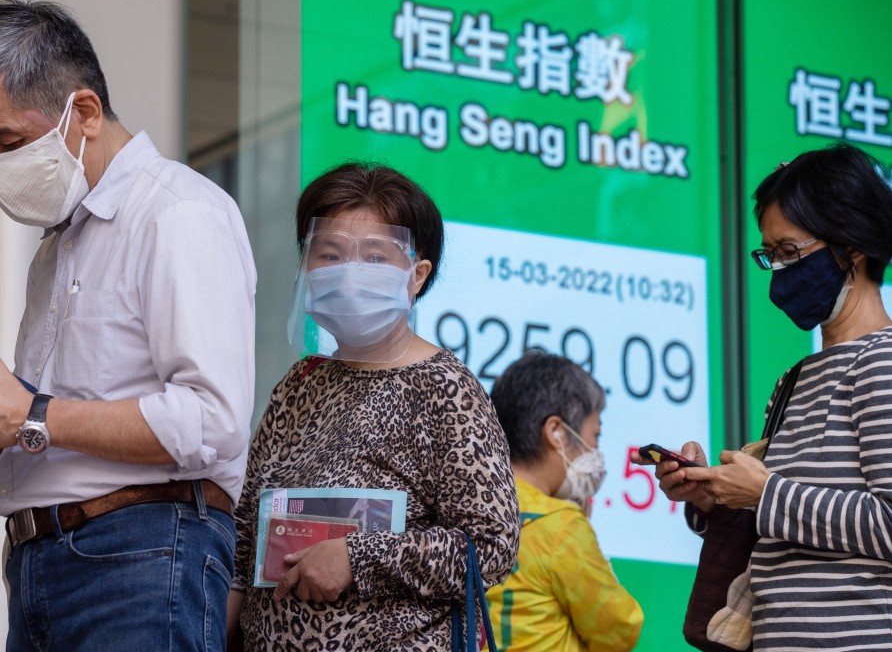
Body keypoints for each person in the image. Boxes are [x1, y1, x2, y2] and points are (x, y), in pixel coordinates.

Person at [0, 0, 256, 651]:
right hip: (43, 562)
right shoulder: (60, 245)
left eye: (9, 142)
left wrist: (29, 415)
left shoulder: (178, 213)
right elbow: (67, 422)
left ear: (86, 112)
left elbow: (210, 420)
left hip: (143, 558)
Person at [226, 162, 519, 650]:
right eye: (331, 254)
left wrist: (356, 559)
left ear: (416, 276)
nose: (349, 275)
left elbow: (490, 546)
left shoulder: (446, 390)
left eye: (375, 258)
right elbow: (243, 540)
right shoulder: (298, 386)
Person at [633, 143, 892, 650]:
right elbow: (789, 526)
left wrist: (767, 493)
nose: (778, 271)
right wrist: (712, 497)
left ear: (852, 247)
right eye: (769, 256)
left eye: (789, 252)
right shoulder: (794, 379)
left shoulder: (881, 362)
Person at [485, 351, 643, 651]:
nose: (595, 452)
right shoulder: (559, 525)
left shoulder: (467, 509)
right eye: (595, 437)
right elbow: (620, 630)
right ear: (556, 432)